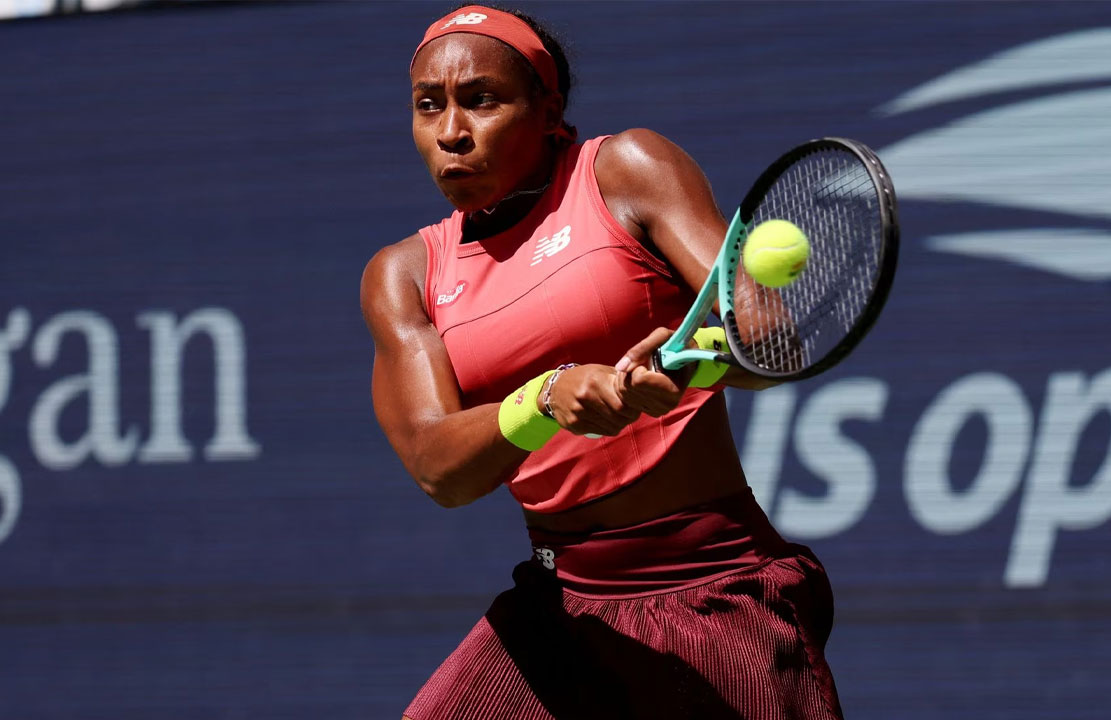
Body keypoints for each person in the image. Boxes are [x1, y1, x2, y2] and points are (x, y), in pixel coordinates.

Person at [361, 5, 844, 718]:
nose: (451, 131)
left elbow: (772, 341)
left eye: (481, 100)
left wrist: (695, 361)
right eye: (428, 106)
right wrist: (545, 399)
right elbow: (440, 468)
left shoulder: (627, 169)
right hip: (559, 613)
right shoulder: (404, 275)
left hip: (714, 589)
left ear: (547, 107)